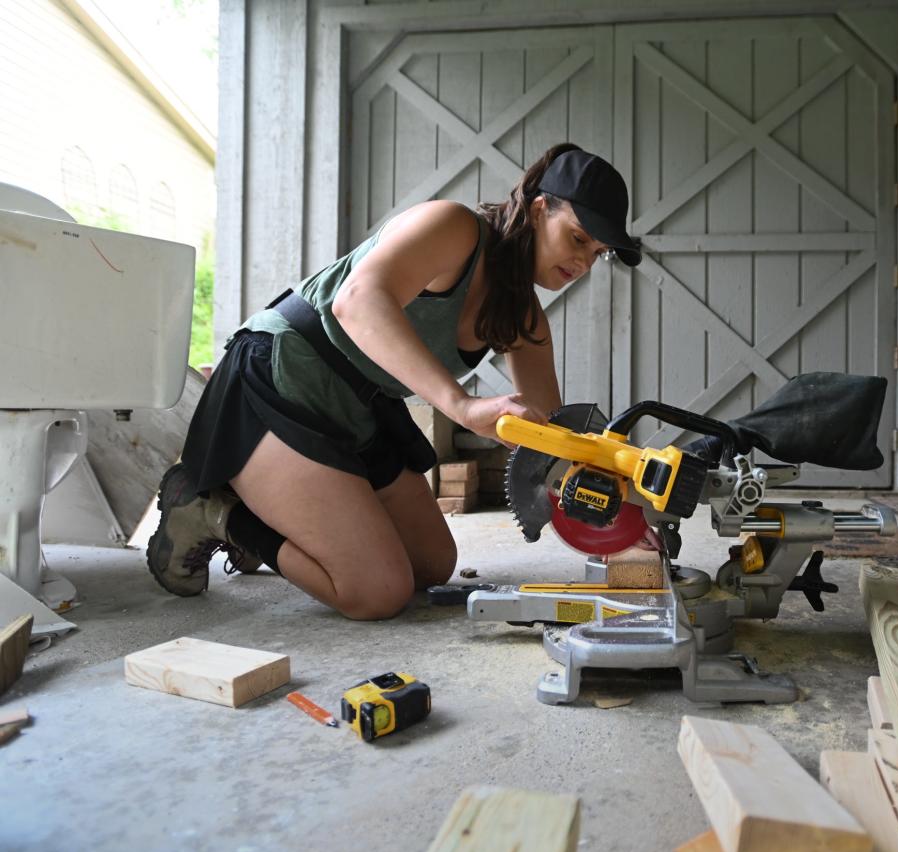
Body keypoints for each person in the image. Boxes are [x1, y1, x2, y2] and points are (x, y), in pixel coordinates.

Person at [146, 143, 642, 619]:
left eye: (597, 253)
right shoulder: (454, 228)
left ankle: (275, 515)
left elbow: (554, 444)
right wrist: (463, 406)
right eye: (578, 238)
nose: (582, 263)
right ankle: (212, 512)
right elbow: (356, 301)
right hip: (283, 374)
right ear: (538, 210)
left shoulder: (524, 318)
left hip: (361, 405)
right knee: (375, 592)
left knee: (430, 565)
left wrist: (626, 519)